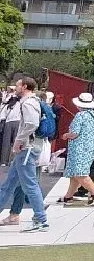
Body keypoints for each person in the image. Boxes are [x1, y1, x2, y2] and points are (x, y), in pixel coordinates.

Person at [0, 77, 48, 232]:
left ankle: (40, 220)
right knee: (9, 184)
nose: (16, 87)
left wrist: (19, 141)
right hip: (27, 148)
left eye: (19, 85)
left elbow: (31, 124)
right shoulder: (31, 102)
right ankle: (39, 218)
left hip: (27, 148)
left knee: (30, 185)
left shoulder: (28, 103)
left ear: (25, 86)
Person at [55, 92, 94, 206]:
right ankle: (69, 196)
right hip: (90, 146)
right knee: (75, 172)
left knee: (79, 172)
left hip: (81, 147)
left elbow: (75, 133)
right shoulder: (93, 114)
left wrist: (66, 135)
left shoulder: (80, 116)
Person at [0, 86, 21, 166]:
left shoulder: (8, 105)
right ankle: (13, 160)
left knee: (6, 143)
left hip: (8, 123)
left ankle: (4, 161)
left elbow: (3, 116)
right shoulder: (21, 104)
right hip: (18, 122)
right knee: (16, 142)